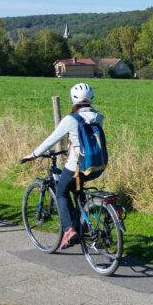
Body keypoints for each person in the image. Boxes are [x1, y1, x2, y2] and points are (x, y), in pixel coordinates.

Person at [20, 82, 104, 250]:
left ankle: (69, 230)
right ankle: (84, 223)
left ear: (73, 99)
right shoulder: (98, 117)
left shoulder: (71, 119)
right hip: (97, 166)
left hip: (77, 166)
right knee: (76, 190)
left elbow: (52, 139)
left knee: (61, 193)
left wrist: (33, 154)